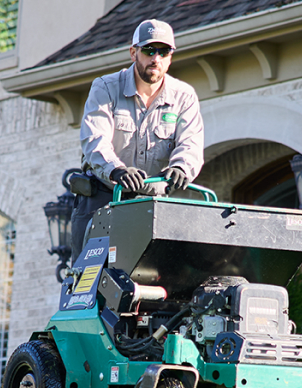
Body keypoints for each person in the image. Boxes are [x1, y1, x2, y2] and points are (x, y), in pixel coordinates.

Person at [70, 19, 205, 249]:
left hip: (153, 205)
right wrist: (117, 169)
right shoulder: (105, 88)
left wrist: (182, 167)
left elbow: (191, 144)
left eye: (163, 52)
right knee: (89, 281)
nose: (156, 59)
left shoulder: (184, 97)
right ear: (133, 53)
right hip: (103, 199)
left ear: (171, 57)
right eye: (149, 50)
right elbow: (95, 141)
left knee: (157, 279)